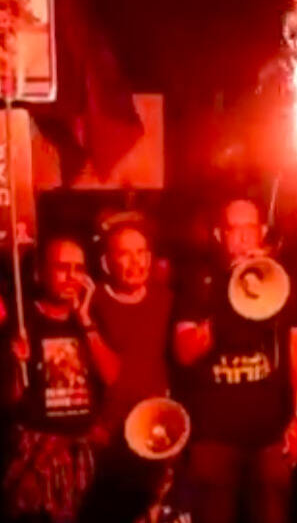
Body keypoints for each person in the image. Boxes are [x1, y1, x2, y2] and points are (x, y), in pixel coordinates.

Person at [173, 197, 297, 523]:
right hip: (214, 438)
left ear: (262, 231)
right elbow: (184, 352)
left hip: (270, 437)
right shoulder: (200, 284)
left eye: (249, 228)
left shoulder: (285, 283)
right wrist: (229, 302)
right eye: (233, 229)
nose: (242, 237)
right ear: (220, 235)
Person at [4, 236, 118, 522]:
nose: (72, 277)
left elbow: (112, 374)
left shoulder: (89, 318)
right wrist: (15, 364)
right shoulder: (21, 320)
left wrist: (86, 321)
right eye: (62, 268)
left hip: (84, 455)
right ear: (40, 273)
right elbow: (10, 399)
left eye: (78, 269)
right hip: (38, 456)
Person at [78, 212, 175, 523]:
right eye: (124, 253)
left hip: (157, 433)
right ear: (107, 262)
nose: (136, 262)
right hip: (110, 437)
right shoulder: (93, 303)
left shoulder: (167, 300)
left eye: (141, 252)